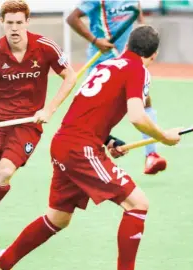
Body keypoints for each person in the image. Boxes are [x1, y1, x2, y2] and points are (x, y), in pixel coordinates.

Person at [0, 25, 181, 270]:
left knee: (57, 218)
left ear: (127, 46)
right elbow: (137, 115)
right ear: (154, 54)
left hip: (65, 142)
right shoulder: (138, 70)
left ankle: (1, 268)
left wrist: (107, 141)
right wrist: (164, 137)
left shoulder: (106, 66)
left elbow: (87, 109)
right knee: (138, 204)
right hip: (80, 149)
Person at [0, 0, 77, 240]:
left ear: (27, 23)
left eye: (19, 23)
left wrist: (49, 109)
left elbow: (69, 77)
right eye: (9, 23)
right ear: (2, 23)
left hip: (28, 123)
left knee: (4, 173)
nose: (14, 28)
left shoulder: (45, 47)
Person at [66, 0, 167, 175]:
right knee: (95, 111)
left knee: (145, 100)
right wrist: (95, 40)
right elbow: (72, 18)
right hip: (104, 60)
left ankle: (151, 154)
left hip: (129, 58)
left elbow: (138, 16)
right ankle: (85, 152)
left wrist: (144, 33)